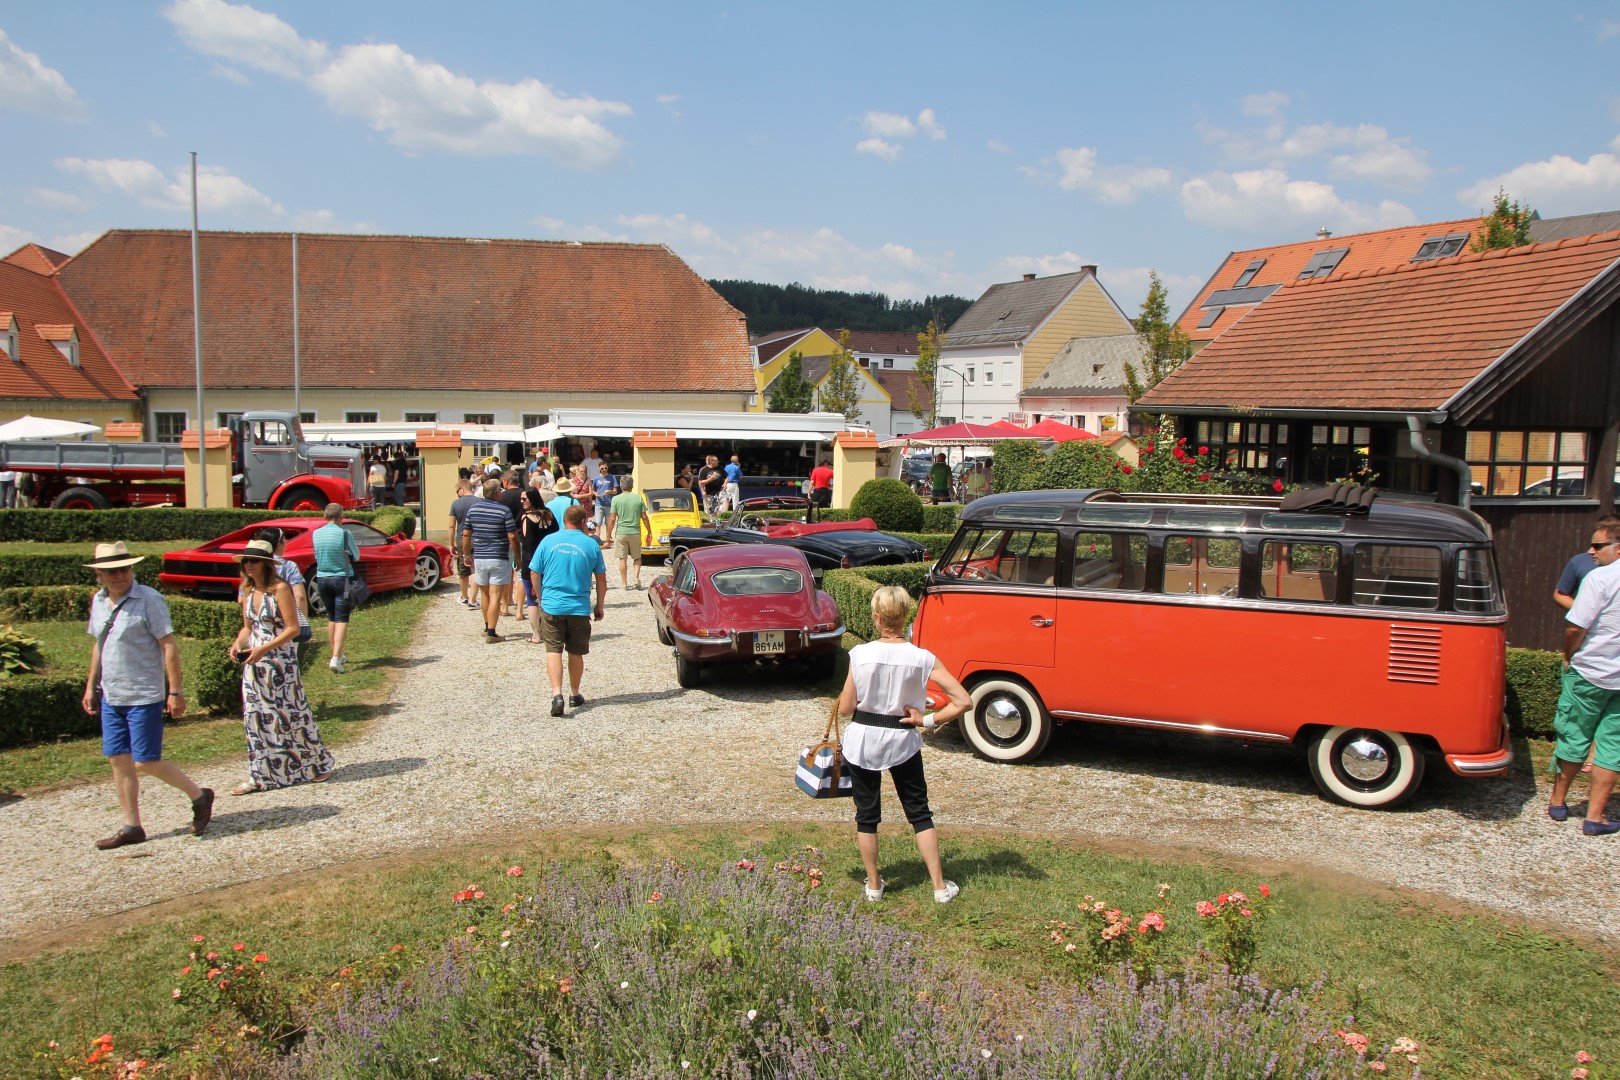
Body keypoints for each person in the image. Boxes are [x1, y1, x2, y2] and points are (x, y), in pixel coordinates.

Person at [836, 585, 972, 903]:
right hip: (903, 739)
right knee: (919, 813)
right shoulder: (922, 658)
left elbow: (845, 708)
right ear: (905, 616)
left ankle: (873, 886)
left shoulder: (860, 655)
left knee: (866, 816)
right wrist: (926, 721)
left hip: (864, 740)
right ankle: (939, 887)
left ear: (877, 617)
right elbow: (963, 701)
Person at [81, 541, 213, 849]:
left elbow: (168, 645)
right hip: (113, 694)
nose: (119, 576)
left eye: (124, 568)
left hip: (144, 693)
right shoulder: (99, 601)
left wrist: (176, 691)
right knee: (118, 760)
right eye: (112, 571)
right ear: (99, 574)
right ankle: (132, 826)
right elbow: (99, 646)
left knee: (145, 761)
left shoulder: (149, 600)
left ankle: (199, 795)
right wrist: (91, 685)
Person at [228, 539, 333, 794]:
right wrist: (237, 644)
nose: (248, 565)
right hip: (254, 663)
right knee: (257, 717)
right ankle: (261, 774)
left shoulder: (280, 589)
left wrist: (264, 648)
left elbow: (293, 628)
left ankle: (314, 764)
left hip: (279, 661)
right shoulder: (248, 590)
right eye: (245, 561)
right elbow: (248, 627)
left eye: (253, 561)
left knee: (290, 714)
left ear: (265, 563)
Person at [1547, 519, 1620, 834]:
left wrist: (1568, 655)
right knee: (1612, 747)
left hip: (1590, 671)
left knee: (1574, 736)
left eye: (1598, 545)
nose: (1591, 551)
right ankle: (1594, 817)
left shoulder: (1600, 578)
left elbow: (1576, 626)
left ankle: (1558, 800)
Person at [530, 503, 607, 717]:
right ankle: (575, 693)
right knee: (575, 651)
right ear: (583, 522)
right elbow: (601, 579)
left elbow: (534, 572)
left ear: (564, 520)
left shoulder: (548, 541)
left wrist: (540, 596)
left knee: (553, 649)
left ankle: (557, 694)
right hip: (578, 607)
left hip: (552, 604)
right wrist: (599, 605)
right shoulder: (591, 544)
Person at [462, 477, 519, 643]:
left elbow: (466, 534)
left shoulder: (473, 510)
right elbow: (512, 536)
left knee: (484, 593)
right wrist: (517, 557)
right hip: (499, 556)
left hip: (480, 556)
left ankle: (487, 626)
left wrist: (467, 555)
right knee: (495, 595)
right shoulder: (503, 511)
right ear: (496, 493)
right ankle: (492, 633)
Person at [311, 502, 361, 673]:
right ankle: (336, 658)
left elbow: (317, 555)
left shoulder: (316, 534)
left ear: (324, 516)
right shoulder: (345, 534)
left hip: (322, 578)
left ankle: (336, 654)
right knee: (342, 619)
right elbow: (356, 555)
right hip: (342, 578)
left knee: (331, 617)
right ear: (341, 517)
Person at [254, 527, 310, 642]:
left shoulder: (254, 566)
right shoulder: (289, 566)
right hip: (285, 623)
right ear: (279, 545)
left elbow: (242, 598)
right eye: (285, 541)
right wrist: (302, 621)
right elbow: (300, 596)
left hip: (260, 625)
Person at [518, 487, 558, 643]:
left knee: (532, 598)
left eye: (524, 499)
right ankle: (551, 630)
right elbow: (556, 533)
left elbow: (528, 542)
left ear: (532, 499)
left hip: (532, 562)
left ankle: (537, 634)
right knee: (548, 595)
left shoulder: (526, 518)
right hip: (550, 560)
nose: (521, 502)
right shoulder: (548, 514)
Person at [606, 474, 653, 590]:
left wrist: (608, 534)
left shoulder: (616, 499)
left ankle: (624, 583)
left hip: (621, 532)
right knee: (637, 557)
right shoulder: (638, 498)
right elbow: (644, 517)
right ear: (632, 486)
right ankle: (636, 578)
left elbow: (612, 519)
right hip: (635, 531)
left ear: (621, 486)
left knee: (623, 558)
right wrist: (649, 531)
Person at [499, 470, 527, 616]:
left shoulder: (502, 496)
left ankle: (505, 605)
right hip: (523, 536)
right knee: (521, 573)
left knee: (506, 572)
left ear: (506, 481)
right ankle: (520, 609)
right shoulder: (525, 495)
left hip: (505, 537)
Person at [448, 478, 479, 608]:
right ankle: (473, 599)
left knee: (463, 569)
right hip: (477, 538)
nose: (457, 494)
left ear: (462, 489)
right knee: (476, 569)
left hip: (462, 538)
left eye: (457, 491)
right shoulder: (480, 502)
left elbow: (451, 525)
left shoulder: (455, 504)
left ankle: (464, 596)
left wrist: (451, 543)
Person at [591, 462, 619, 543]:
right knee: (598, 523)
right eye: (602, 468)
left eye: (606, 468)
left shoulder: (612, 477)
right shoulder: (596, 478)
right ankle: (597, 540)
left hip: (609, 503)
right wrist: (596, 494)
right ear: (599, 468)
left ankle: (607, 539)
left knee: (608, 523)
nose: (604, 470)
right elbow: (593, 490)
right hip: (599, 503)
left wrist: (609, 491)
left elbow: (615, 491)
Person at [698, 454, 725, 520]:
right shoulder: (703, 470)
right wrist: (703, 491)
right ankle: (709, 523)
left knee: (716, 510)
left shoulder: (719, 468)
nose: (708, 461)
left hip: (717, 492)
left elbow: (726, 477)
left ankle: (717, 523)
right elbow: (700, 482)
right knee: (708, 509)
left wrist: (725, 484)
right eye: (707, 460)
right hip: (707, 492)